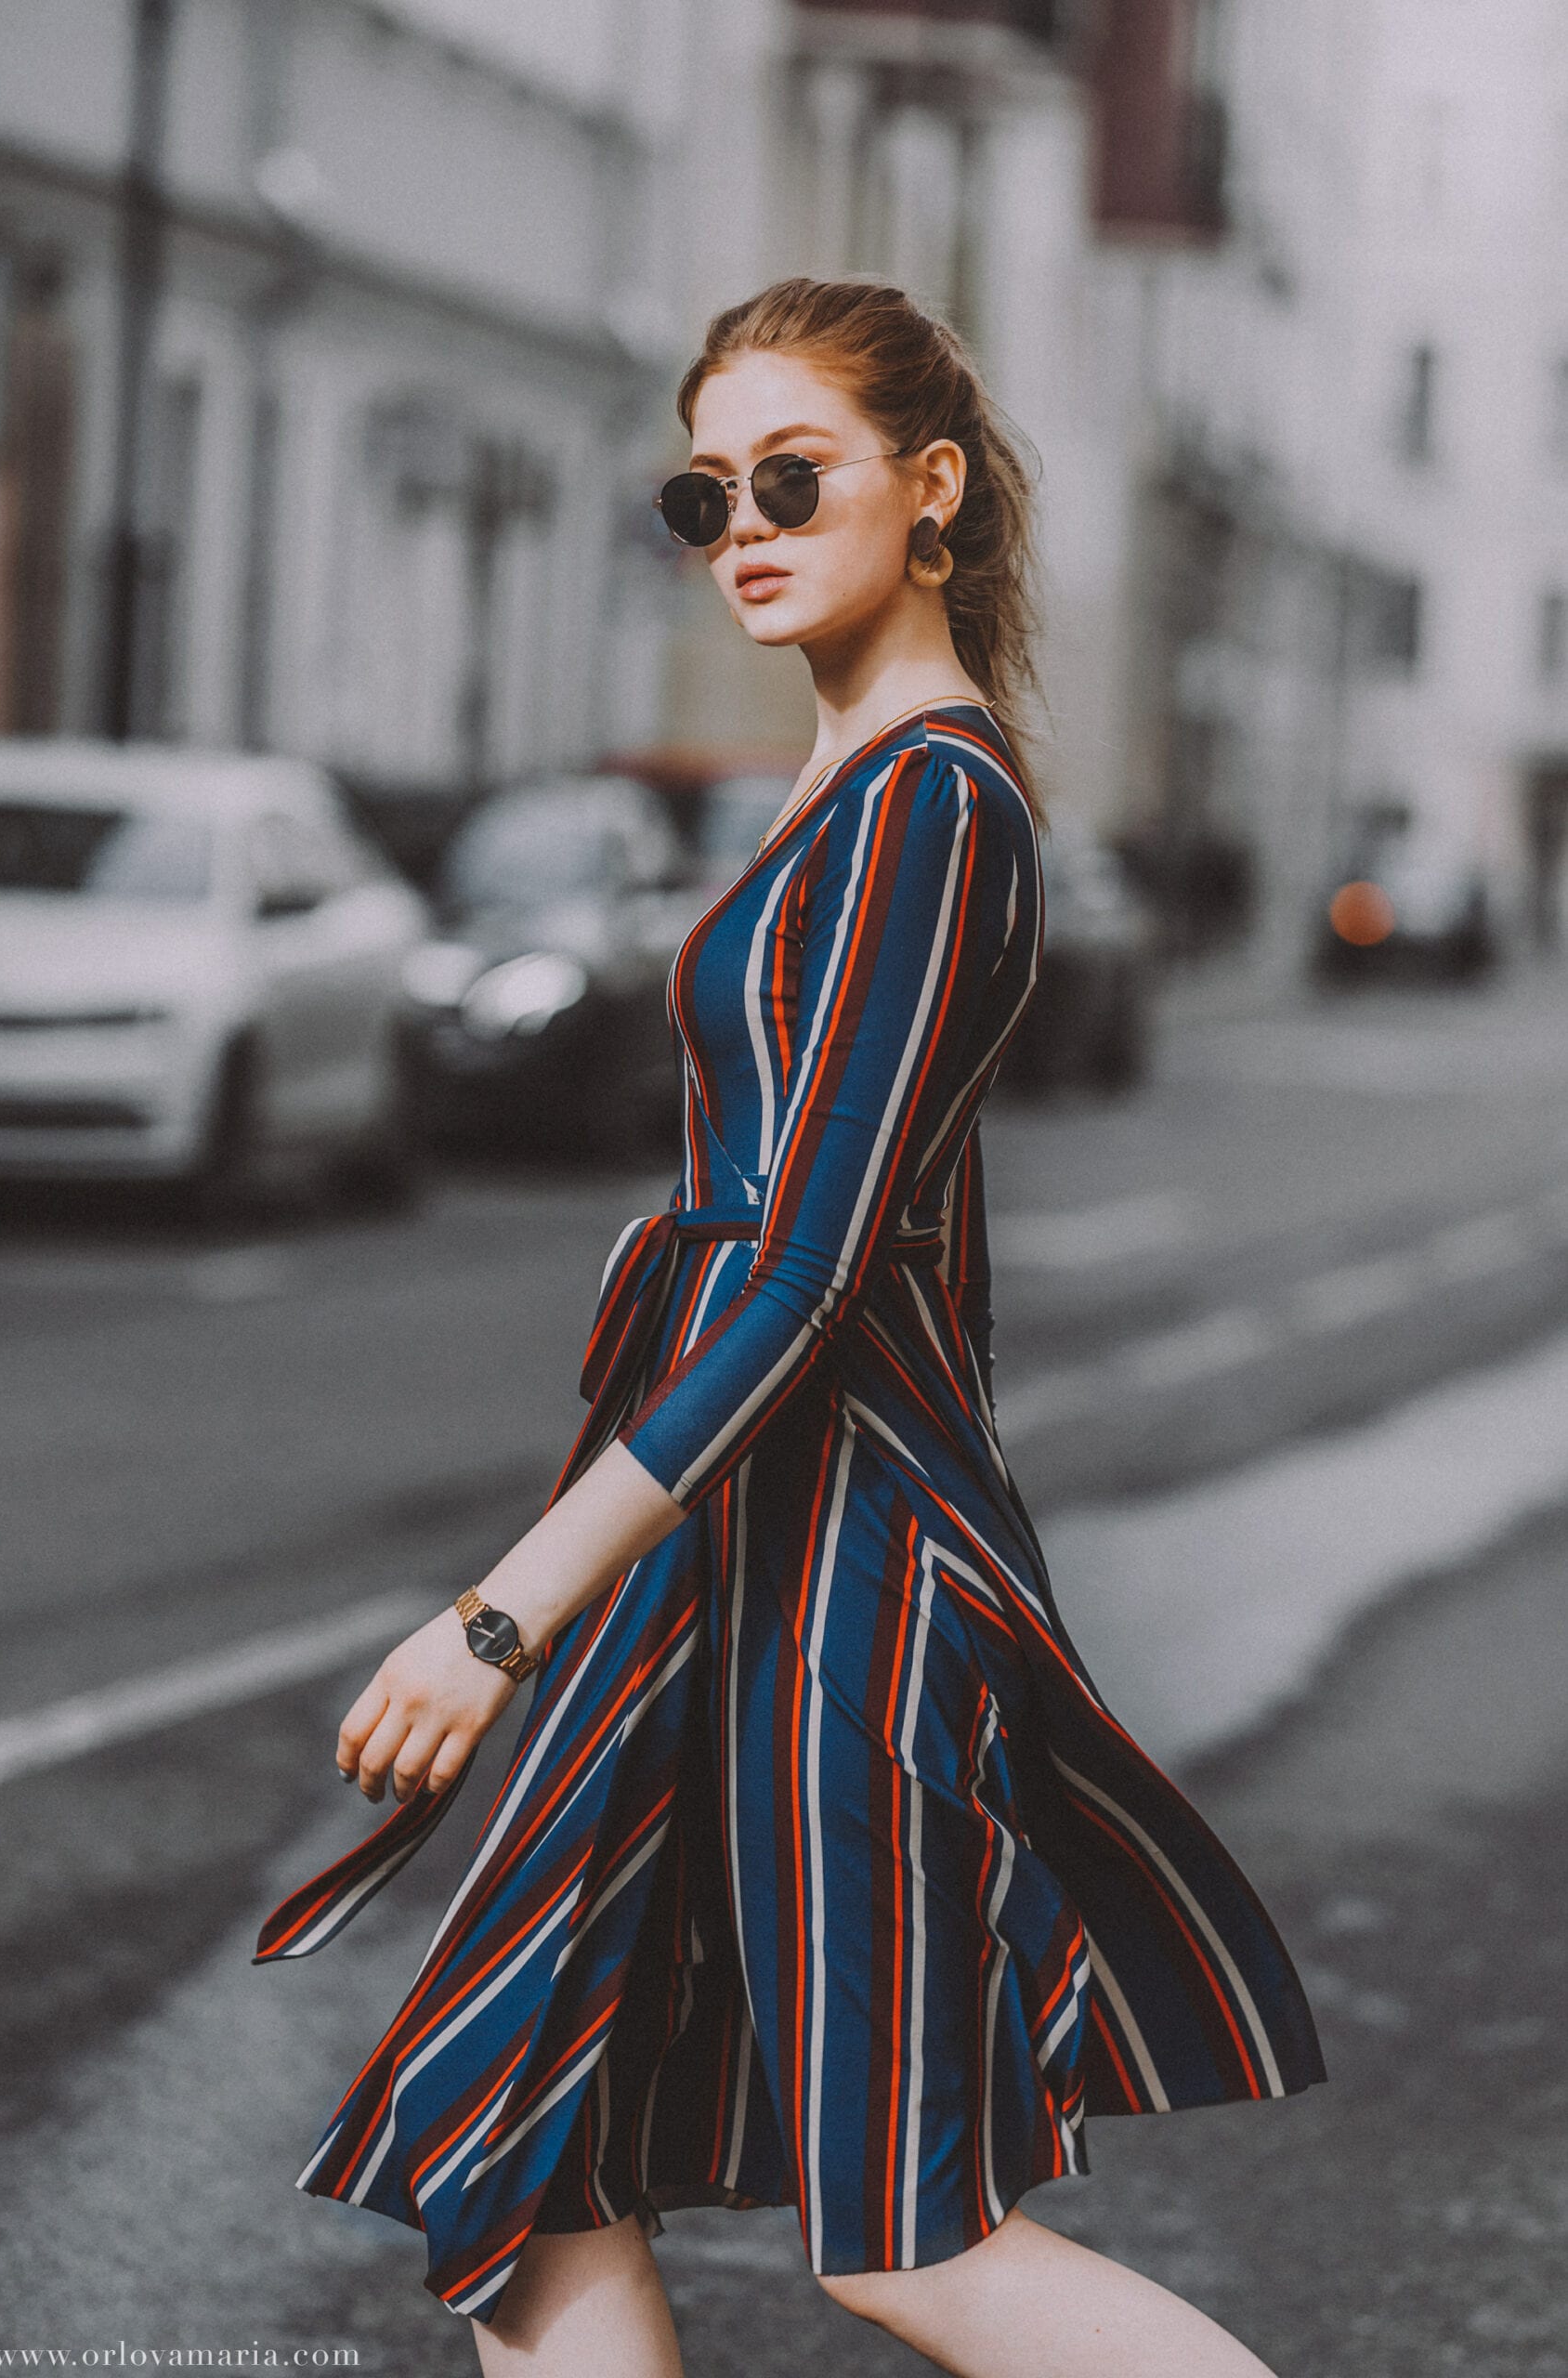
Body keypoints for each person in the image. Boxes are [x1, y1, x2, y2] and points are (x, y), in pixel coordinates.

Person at [254, 277, 1326, 2376]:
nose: (735, 518)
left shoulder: (934, 802)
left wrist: (493, 1619)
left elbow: (819, 1262)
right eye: (700, 488)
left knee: (909, 2239)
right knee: (521, 2163)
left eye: (786, 473)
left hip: (840, 1574)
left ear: (926, 490)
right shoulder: (854, 777)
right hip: (729, 1553)